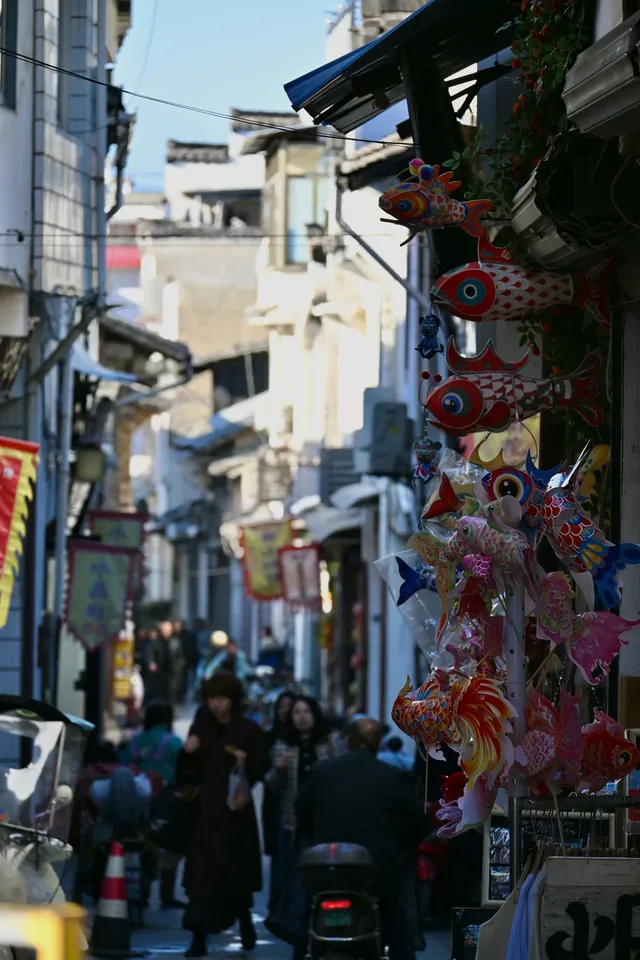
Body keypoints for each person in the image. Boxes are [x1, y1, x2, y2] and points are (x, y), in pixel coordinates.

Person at [295, 717, 428, 960]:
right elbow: (416, 820)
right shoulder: (391, 776)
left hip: (325, 865)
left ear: (347, 743)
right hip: (375, 870)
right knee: (396, 917)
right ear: (378, 745)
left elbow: (301, 811)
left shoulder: (322, 771)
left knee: (306, 914)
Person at [182, 672, 267, 957]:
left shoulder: (247, 730)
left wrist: (247, 765)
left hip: (235, 810)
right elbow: (186, 772)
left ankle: (244, 922)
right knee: (201, 876)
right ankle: (198, 938)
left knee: (235, 872)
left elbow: (260, 766)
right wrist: (188, 753)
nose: (216, 704)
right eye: (212, 699)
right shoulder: (201, 726)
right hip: (205, 812)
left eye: (221, 698)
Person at [265, 696, 332, 923]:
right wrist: (279, 770)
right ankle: (287, 916)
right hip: (291, 820)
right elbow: (273, 786)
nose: (302, 717)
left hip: (322, 818)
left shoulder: (328, 744)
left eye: (306, 712)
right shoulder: (283, 746)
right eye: (297, 712)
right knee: (288, 870)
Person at [263, 691, 295, 912]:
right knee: (278, 855)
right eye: (281, 706)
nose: (285, 710)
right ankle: (277, 906)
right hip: (275, 803)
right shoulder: (270, 737)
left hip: (295, 805)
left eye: (289, 706)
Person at [174, 619, 199, 701]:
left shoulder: (188, 636)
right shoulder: (174, 636)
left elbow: (192, 648)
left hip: (189, 660)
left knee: (186, 679)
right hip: (178, 661)